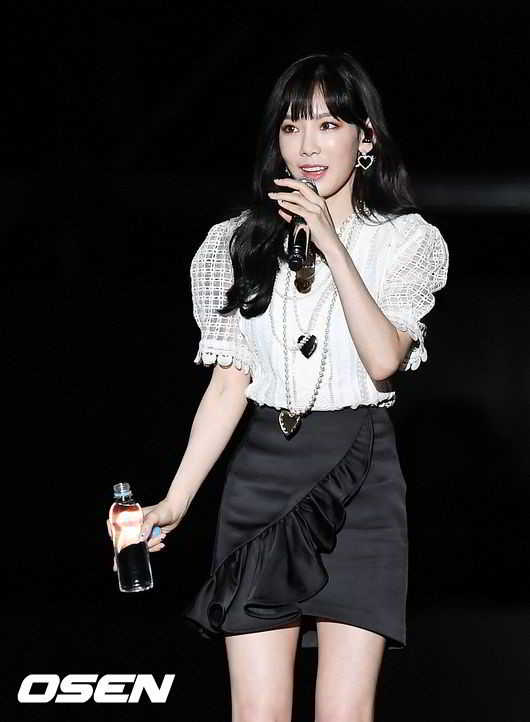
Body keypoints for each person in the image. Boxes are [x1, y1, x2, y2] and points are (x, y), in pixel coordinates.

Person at [131, 51, 449, 722]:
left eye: (329, 125)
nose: (307, 145)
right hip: (262, 477)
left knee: (343, 712)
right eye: (292, 125)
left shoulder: (405, 241)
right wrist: (176, 501)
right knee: (258, 712)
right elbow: (228, 384)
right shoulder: (234, 242)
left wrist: (332, 243)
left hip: (360, 477)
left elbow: (384, 359)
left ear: (365, 139)